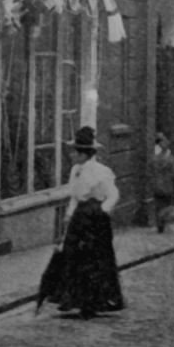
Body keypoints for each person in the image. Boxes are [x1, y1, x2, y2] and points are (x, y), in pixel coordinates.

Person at [55, 126, 124, 320]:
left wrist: (101, 212)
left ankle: (94, 301)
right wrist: (69, 216)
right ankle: (74, 299)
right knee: (74, 257)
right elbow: (75, 197)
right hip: (79, 218)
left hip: (95, 220)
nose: (72, 155)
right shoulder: (75, 170)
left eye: (75, 152)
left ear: (84, 154)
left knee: (95, 260)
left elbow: (113, 195)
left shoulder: (102, 172)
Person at [151, 134, 174, 233]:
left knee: (158, 205)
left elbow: (151, 171)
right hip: (167, 186)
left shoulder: (154, 159)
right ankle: (165, 224)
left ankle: (160, 226)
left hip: (157, 185)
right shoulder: (171, 159)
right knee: (167, 206)